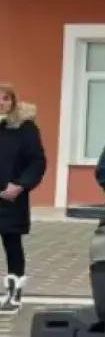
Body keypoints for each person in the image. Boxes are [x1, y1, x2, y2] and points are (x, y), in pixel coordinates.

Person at [0, 84, 46, 314]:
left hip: (11, 198)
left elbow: (37, 161)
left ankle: (14, 294)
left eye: (6, 98)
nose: (1, 103)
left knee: (12, 246)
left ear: (13, 102)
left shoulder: (25, 128)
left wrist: (20, 185)